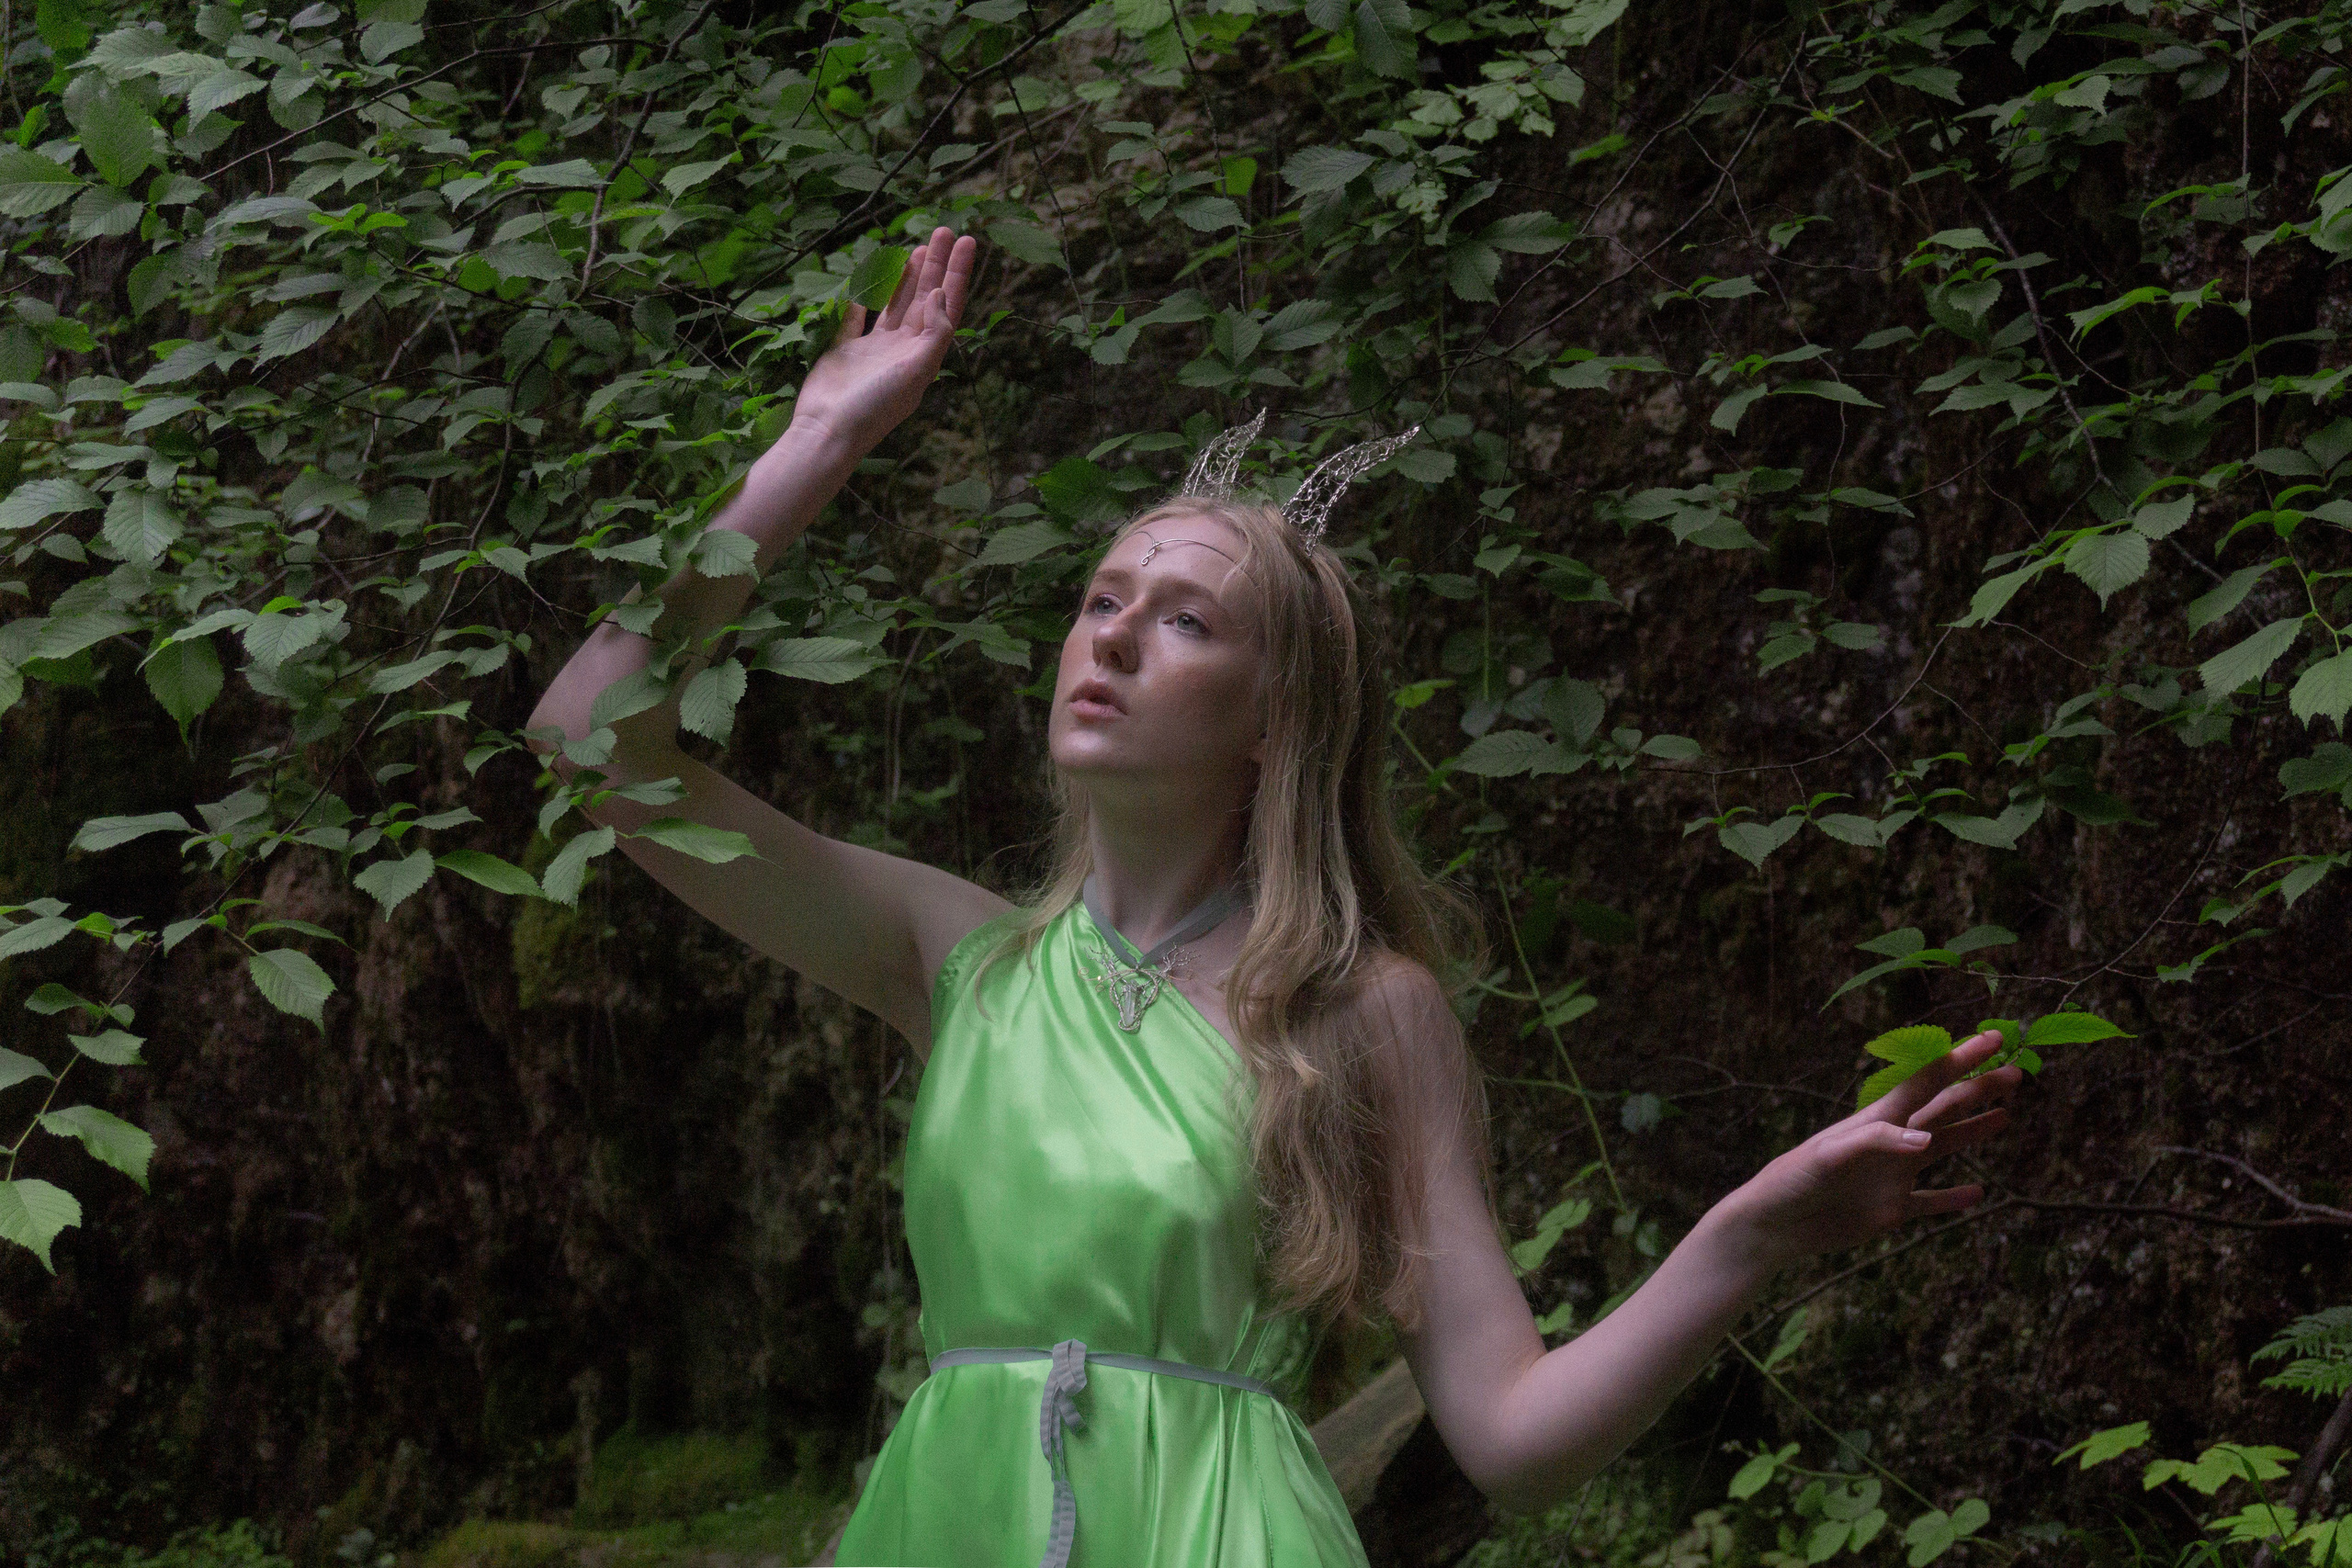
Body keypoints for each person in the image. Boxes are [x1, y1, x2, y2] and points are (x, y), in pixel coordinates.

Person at [525, 228, 2023, 1568]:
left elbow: (1512, 1438)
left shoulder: (1366, 1013)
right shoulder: (958, 958)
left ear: (1273, 722)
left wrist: (1747, 1237)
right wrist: (821, 437)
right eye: (1099, 600)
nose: (1111, 640)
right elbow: (592, 736)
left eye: (1183, 621)